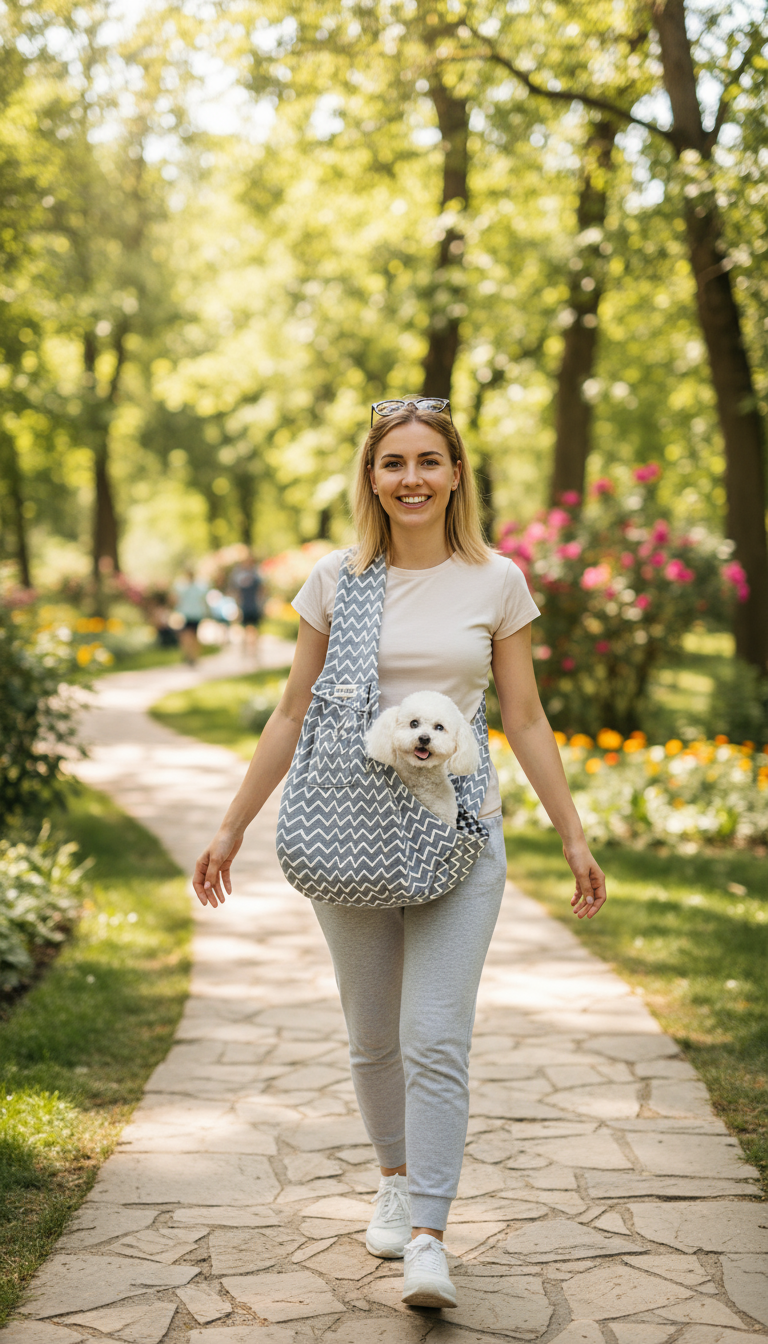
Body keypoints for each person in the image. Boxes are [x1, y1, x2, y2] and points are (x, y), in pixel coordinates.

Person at [192, 397, 607, 1310]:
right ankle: (392, 1176)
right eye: (393, 463)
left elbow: (527, 716)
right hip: (351, 829)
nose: (411, 478)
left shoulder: (497, 580)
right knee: (373, 1034)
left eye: (428, 461)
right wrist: (232, 825)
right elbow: (293, 711)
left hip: (461, 837)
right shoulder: (337, 580)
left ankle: (428, 1236)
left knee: (433, 1037)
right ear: (370, 479)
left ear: (457, 473)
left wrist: (573, 834)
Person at [229, 551, 264, 661]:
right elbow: (235, 591)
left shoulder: (256, 574)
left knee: (255, 629)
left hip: (254, 605)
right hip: (244, 606)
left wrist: (261, 602)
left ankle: (254, 652)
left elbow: (262, 589)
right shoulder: (238, 575)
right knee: (244, 630)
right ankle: (245, 652)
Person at [173, 567, 209, 665]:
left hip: (192, 614)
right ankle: (191, 656)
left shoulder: (192, 587)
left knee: (190, 636)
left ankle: (192, 656)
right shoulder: (185, 587)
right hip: (190, 614)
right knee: (189, 636)